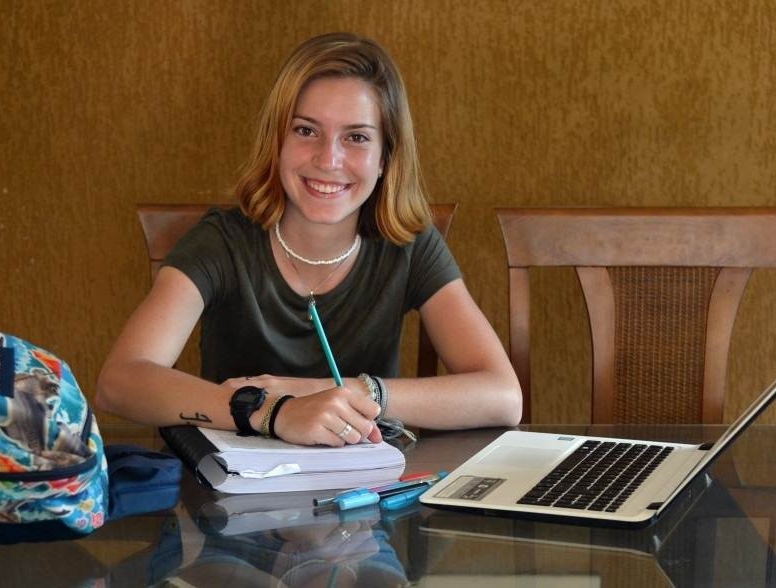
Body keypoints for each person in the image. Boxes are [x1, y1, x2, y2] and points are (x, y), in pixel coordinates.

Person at [96, 32, 521, 446]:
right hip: (235, 486)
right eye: (306, 131)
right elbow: (120, 381)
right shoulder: (222, 242)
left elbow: (503, 396)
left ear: (385, 158)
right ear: (277, 141)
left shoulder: (409, 245)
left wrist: (343, 392)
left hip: (367, 485)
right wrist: (273, 412)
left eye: (356, 137)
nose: (328, 159)